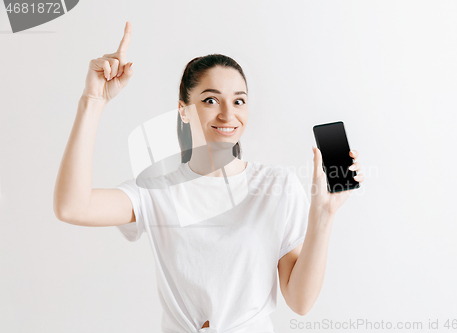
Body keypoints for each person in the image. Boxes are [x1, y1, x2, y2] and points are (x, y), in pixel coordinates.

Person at [53, 22, 364, 333]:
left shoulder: (277, 186)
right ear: (184, 111)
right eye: (211, 100)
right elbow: (72, 207)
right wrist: (92, 101)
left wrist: (323, 215)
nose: (228, 115)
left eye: (238, 101)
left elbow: (300, 301)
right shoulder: (155, 191)